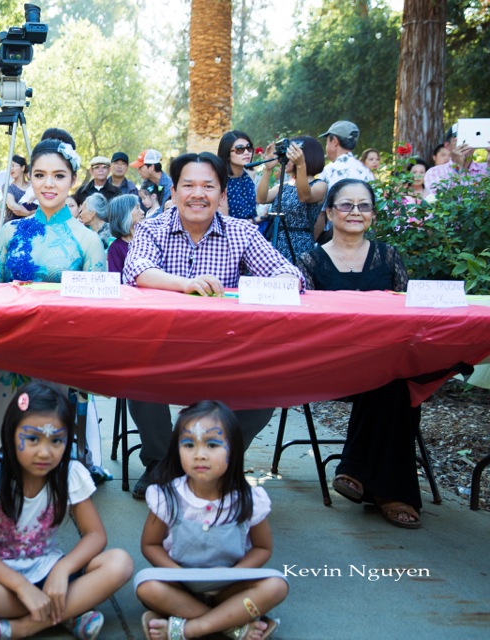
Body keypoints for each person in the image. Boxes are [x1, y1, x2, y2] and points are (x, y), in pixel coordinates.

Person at [122, 152, 303, 499]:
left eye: (208, 186)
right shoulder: (151, 227)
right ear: (172, 192)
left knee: (266, 391)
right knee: (135, 374)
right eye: (188, 185)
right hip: (163, 346)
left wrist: (260, 288)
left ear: (222, 195)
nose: (197, 194)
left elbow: (290, 275)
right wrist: (185, 283)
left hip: (226, 350)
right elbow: (137, 271)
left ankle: (216, 462)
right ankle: (161, 462)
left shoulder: (242, 232)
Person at [0, 382, 133, 640]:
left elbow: (95, 535)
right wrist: (21, 586)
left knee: (120, 563)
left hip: (50, 571)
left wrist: (63, 569)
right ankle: (68, 613)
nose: (44, 452)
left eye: (57, 440)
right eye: (33, 439)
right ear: (12, 433)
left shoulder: (70, 474)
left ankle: (19, 628)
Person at [297, 179, 423, 529]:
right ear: (329, 211)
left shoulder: (388, 256)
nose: (355, 212)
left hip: (384, 364)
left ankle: (357, 471)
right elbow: (304, 325)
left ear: (373, 215)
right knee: (391, 379)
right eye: (346, 205)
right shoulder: (309, 261)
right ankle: (389, 490)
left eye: (364, 206)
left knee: (396, 379)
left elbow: (409, 314)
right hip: (331, 365)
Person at [136, 401, 287, 640]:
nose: (200, 454)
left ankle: (187, 628)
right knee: (146, 585)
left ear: (234, 450)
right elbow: (150, 545)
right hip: (181, 583)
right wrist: (176, 574)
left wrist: (236, 574)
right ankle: (231, 624)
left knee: (276, 585)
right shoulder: (167, 496)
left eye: (212, 444)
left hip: (230, 585)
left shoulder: (249, 499)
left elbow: (262, 547)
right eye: (188, 445)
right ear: (177, 450)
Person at [0, 139, 107, 283]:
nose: (48, 184)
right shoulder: (9, 231)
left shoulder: (89, 241)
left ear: (73, 180)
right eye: (40, 175)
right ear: (30, 178)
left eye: (59, 176)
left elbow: (93, 304)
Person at [256, 136, 327, 263]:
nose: (285, 159)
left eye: (290, 155)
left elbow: (304, 196)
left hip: (299, 247)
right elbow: (261, 198)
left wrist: (301, 165)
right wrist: (267, 169)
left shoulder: (320, 185)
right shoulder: (286, 185)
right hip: (276, 244)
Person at [423, 124, 487, 194]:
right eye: (460, 139)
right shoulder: (434, 172)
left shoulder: (485, 169)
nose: (465, 144)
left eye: (469, 139)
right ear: (447, 146)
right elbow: (437, 201)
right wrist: (457, 167)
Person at [318, 120, 373, 191]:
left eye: (327, 142)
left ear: (334, 141)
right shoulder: (366, 171)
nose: (326, 146)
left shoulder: (329, 171)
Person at [216, 131, 257, 220]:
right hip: (234, 232)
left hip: (256, 230)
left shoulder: (250, 175)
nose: (247, 152)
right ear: (227, 154)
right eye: (240, 149)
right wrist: (256, 220)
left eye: (249, 148)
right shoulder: (220, 181)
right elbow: (225, 221)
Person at [106, 194, 144, 281]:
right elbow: (116, 282)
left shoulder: (149, 239)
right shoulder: (115, 248)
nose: (142, 212)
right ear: (125, 214)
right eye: (137, 208)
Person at [4, 155, 37, 222]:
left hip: (31, 224)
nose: (10, 168)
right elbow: (12, 205)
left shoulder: (33, 185)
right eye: (9, 166)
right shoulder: (8, 186)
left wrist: (29, 213)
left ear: (23, 168)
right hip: (12, 225)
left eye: (13, 165)